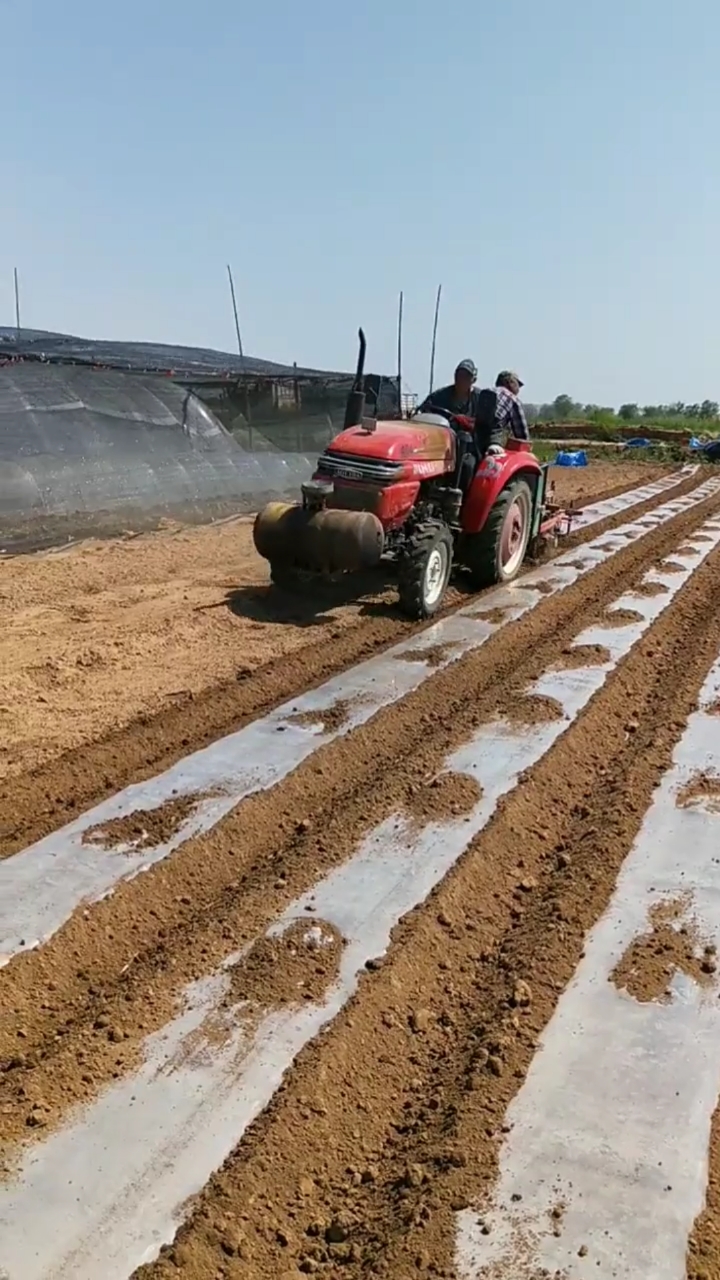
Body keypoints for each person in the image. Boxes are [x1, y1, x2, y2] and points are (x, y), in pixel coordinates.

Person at [477, 371, 530, 454]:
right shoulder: (512, 399)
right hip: (494, 437)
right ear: (509, 383)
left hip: (475, 435)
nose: (518, 389)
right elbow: (522, 435)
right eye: (517, 385)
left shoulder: (484, 392)